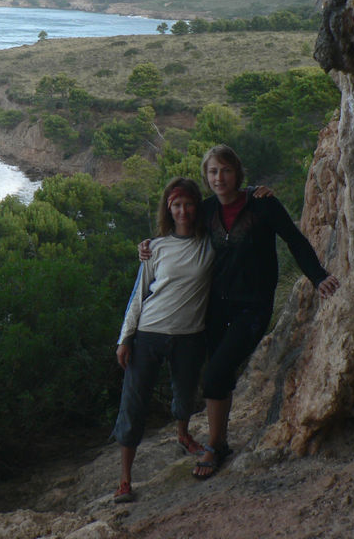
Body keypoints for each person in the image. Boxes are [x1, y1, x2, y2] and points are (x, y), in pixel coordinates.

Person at [140, 144, 340, 479]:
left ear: (238, 173)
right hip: (216, 305)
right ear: (206, 176)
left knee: (216, 373)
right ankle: (221, 442)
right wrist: (149, 245)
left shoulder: (262, 204)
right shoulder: (205, 210)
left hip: (254, 306)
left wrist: (318, 276)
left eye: (226, 170)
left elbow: (295, 240)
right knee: (222, 374)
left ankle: (215, 445)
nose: (219, 178)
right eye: (213, 172)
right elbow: (178, 235)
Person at [111, 177, 212, 504]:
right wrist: (125, 338)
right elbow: (139, 295)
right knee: (134, 402)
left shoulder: (210, 244)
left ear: (197, 206)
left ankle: (183, 435)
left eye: (188, 203)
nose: (183, 210)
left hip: (189, 335)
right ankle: (125, 479)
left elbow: (233, 207)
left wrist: (256, 193)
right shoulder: (155, 247)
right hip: (149, 333)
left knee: (185, 392)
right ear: (168, 209)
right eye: (176, 205)